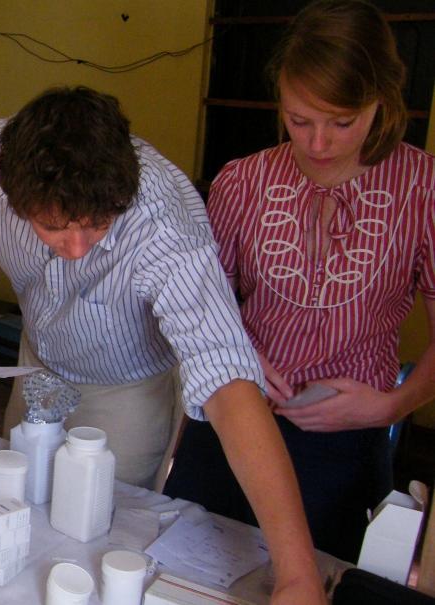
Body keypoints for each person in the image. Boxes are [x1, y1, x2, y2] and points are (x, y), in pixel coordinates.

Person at [0, 86, 325, 603]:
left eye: (98, 225)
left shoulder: (165, 220)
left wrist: (299, 577)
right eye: (53, 228)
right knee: (18, 503)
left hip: (129, 387)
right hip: (38, 361)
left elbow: (228, 381)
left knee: (96, 532)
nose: (77, 249)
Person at [164, 0, 435, 563]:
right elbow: (196, 304)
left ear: (382, 100)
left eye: (342, 121)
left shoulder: (424, 189)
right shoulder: (244, 181)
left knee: (314, 578)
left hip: (346, 442)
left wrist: (392, 407)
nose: (317, 144)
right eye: (299, 119)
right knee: (188, 568)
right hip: (234, 422)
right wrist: (234, 347)